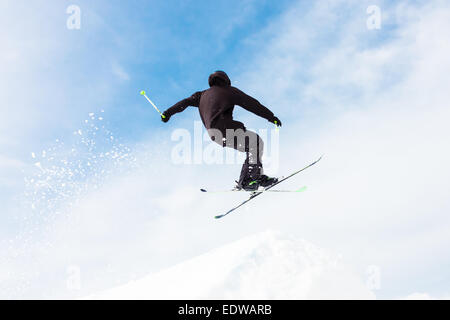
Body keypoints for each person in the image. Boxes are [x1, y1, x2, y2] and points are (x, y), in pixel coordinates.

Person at [161, 70, 282, 191]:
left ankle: (253, 177)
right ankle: (248, 180)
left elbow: (184, 102)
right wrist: (271, 117)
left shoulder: (200, 95)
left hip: (214, 135)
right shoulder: (229, 90)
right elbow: (252, 104)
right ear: (226, 81)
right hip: (225, 128)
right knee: (255, 142)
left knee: (251, 145)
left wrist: (168, 113)